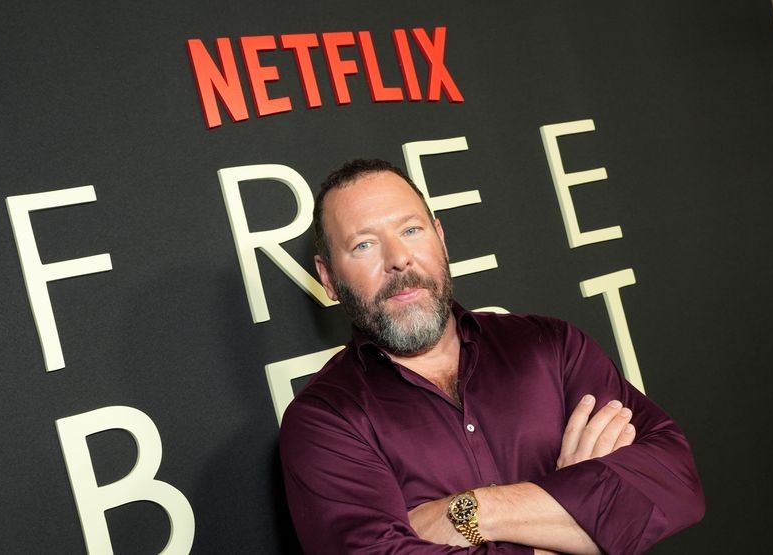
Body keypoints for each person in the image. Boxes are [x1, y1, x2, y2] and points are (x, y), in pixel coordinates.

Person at [279, 159, 705, 554]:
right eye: (365, 245)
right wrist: (579, 512)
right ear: (329, 279)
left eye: (411, 230)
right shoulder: (324, 420)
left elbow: (675, 481)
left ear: (440, 238)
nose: (399, 259)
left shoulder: (550, 346)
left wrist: (477, 511)